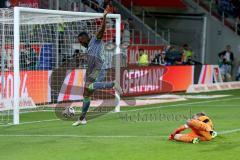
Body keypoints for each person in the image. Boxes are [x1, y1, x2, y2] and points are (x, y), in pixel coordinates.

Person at [72, 7, 122, 126]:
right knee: (86, 94)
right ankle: (82, 118)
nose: (80, 42)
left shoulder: (95, 40)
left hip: (100, 69)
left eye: (81, 40)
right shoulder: (88, 48)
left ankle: (112, 84)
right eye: (79, 41)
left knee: (90, 86)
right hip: (92, 71)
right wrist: (83, 57)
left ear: (86, 37)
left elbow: (101, 30)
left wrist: (104, 17)